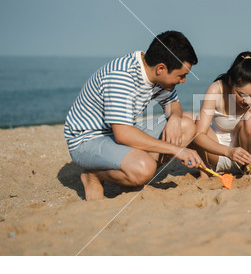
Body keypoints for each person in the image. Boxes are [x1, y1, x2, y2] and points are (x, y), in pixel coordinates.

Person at [64, 30, 206, 200]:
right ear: (161, 68)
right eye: (181, 76)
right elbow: (123, 134)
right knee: (144, 168)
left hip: (117, 132)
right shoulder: (122, 76)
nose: (183, 81)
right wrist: (176, 150)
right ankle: (93, 175)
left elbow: (173, 104)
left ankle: (129, 183)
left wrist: (174, 119)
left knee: (186, 124)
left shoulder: (156, 75)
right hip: (87, 140)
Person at [193, 51, 251, 177]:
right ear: (230, 81)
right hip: (217, 153)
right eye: (241, 94)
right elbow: (198, 135)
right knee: (191, 121)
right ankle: (205, 173)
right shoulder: (216, 90)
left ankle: (250, 171)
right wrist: (228, 151)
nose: (247, 101)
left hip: (248, 159)